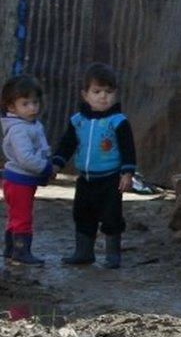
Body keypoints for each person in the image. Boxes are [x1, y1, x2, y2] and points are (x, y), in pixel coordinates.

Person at [52, 63, 136, 269]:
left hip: (110, 179)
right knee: (82, 213)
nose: (103, 96)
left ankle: (112, 255)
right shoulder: (78, 121)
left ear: (115, 94)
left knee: (111, 215)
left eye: (108, 92)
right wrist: (56, 165)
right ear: (85, 94)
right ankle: (84, 252)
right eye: (96, 91)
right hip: (85, 179)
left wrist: (127, 172)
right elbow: (67, 144)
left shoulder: (118, 121)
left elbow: (128, 148)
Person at [1, 74, 53, 266]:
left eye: (35, 102)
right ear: (11, 107)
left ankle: (10, 248)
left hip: (22, 180)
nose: (32, 108)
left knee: (16, 214)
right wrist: (45, 167)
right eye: (25, 104)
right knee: (22, 216)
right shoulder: (19, 130)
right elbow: (26, 158)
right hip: (19, 180)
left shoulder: (29, 124)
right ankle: (21, 251)